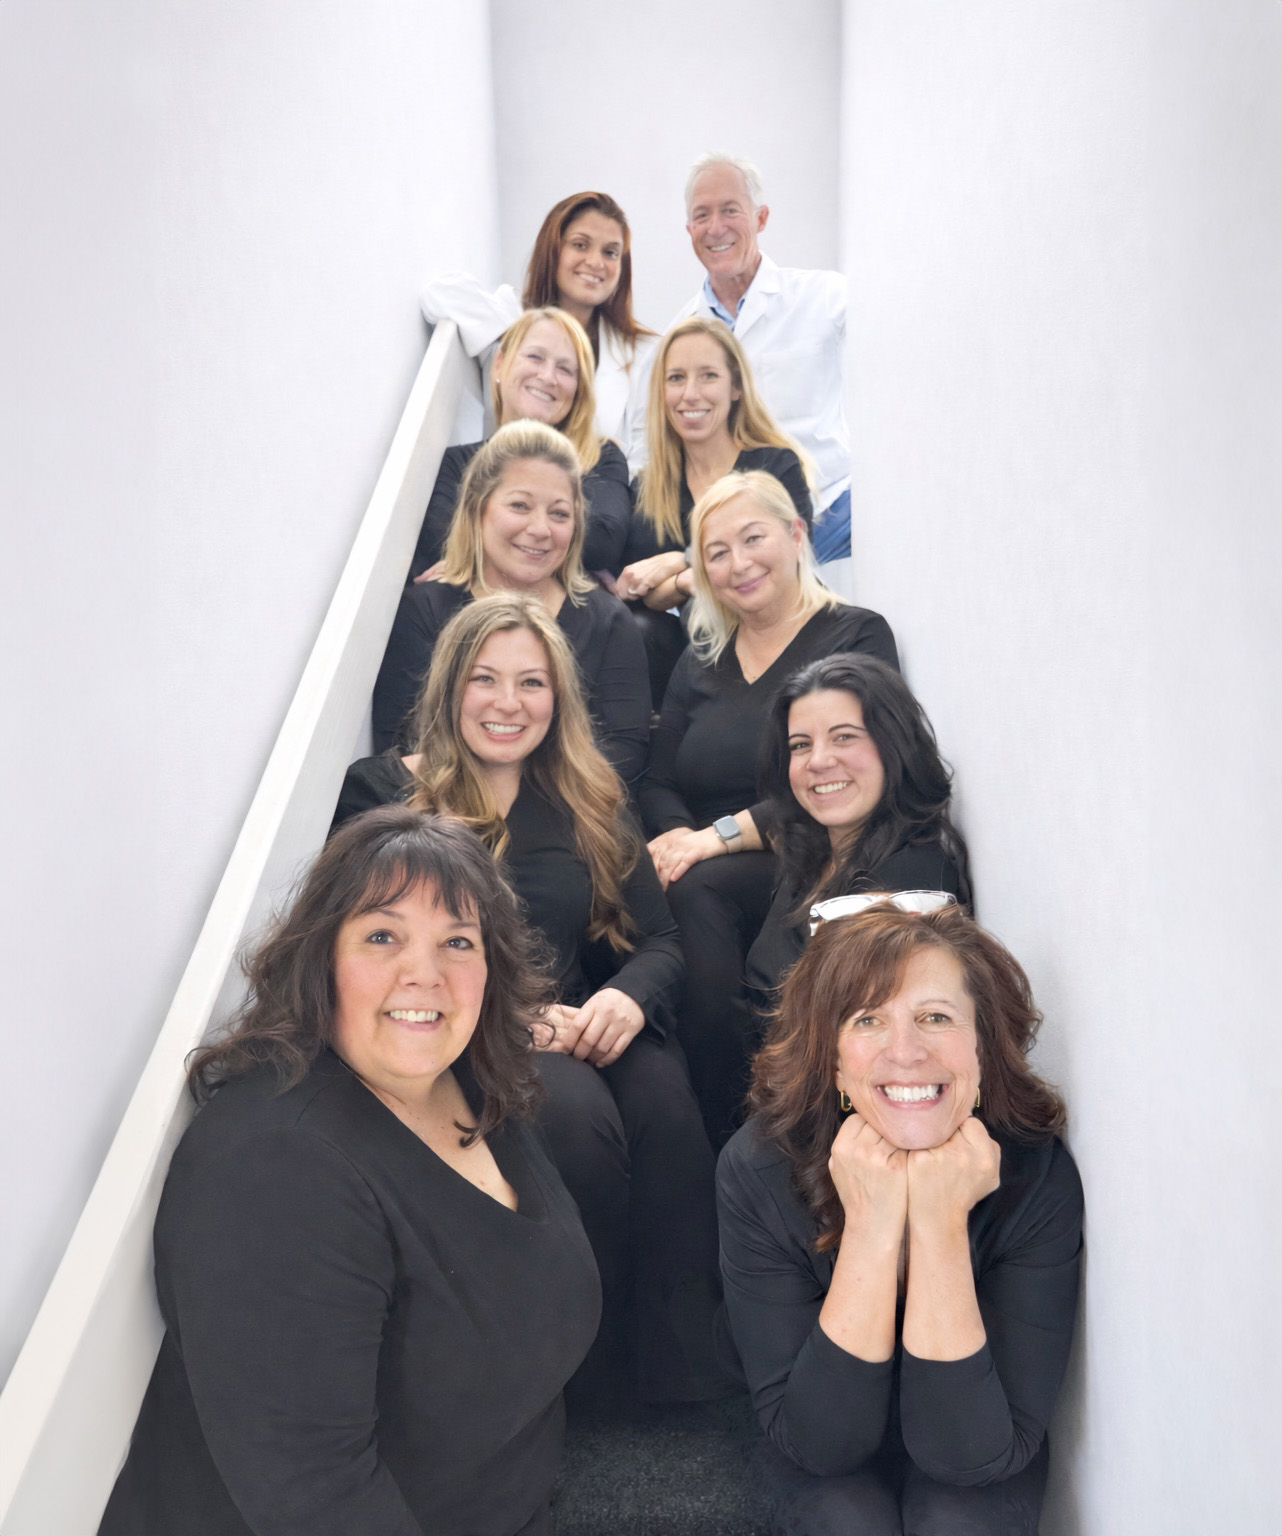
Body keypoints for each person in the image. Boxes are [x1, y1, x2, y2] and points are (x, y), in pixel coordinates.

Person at [98, 807, 601, 1536]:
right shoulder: (272, 1170)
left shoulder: (475, 1087)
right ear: (322, 960)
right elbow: (313, 1497)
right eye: (382, 936)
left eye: (457, 941)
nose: (423, 975)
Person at [340, 594, 724, 1403]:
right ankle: (582, 1364)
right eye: (485, 680)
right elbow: (366, 950)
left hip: (588, 1012)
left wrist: (626, 998)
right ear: (449, 687)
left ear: (559, 699)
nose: (508, 704)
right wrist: (508, 1016)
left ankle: (670, 1359)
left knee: (668, 1108)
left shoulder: (590, 795)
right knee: (579, 1127)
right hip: (460, 1027)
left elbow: (659, 944)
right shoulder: (385, 793)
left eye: (531, 684)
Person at [718, 899, 1083, 1535]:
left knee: (958, 1520)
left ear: (983, 1044)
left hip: (975, 1435)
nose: (906, 1051)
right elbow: (821, 1446)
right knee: (844, 1520)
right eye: (867, 1021)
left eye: (935, 1017)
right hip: (820, 1431)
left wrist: (939, 1223)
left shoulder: (1036, 1171)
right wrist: (871, 1225)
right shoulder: (760, 1169)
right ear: (831, 1059)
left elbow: (970, 1456)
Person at [639, 470, 898, 1145]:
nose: (737, 563)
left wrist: (714, 839)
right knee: (684, 886)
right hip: (701, 855)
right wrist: (676, 839)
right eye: (716, 552)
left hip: (812, 850)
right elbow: (658, 777)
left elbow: (843, 777)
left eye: (752, 538)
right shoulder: (702, 656)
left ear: (795, 535)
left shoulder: (856, 637)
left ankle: (741, 1121)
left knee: (700, 891)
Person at [373, 419, 650, 787]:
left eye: (559, 513)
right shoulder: (423, 611)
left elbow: (623, 754)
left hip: (570, 819)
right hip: (448, 819)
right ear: (477, 509)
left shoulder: (608, 620)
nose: (540, 529)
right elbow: (401, 746)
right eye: (520, 505)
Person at [745, 652, 972, 1001]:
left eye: (844, 737)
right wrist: (717, 838)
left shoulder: (910, 881)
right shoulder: (814, 851)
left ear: (893, 746)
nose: (818, 761)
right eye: (801, 745)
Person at [614, 316, 813, 702]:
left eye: (708, 376)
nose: (690, 394)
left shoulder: (774, 466)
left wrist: (679, 563)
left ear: (736, 386)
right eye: (676, 378)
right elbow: (642, 592)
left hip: (781, 641)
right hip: (691, 668)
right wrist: (688, 582)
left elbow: (793, 562)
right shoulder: (649, 490)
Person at [672, 152, 851, 566]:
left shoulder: (825, 298)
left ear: (761, 218)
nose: (716, 227)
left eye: (730, 210)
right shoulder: (679, 335)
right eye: (702, 216)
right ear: (689, 230)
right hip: (736, 543)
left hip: (834, 518)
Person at [421, 191, 656, 468]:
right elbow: (437, 296)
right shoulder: (509, 314)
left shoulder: (643, 353)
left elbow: (645, 458)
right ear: (553, 248)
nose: (596, 262)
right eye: (580, 245)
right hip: (502, 488)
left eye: (611, 252)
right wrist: (523, 336)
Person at [410, 306, 633, 579]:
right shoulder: (458, 462)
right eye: (535, 357)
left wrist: (479, 556)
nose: (548, 377)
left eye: (565, 369)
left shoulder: (601, 456)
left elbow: (603, 541)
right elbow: (438, 541)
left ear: (579, 388)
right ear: (500, 363)